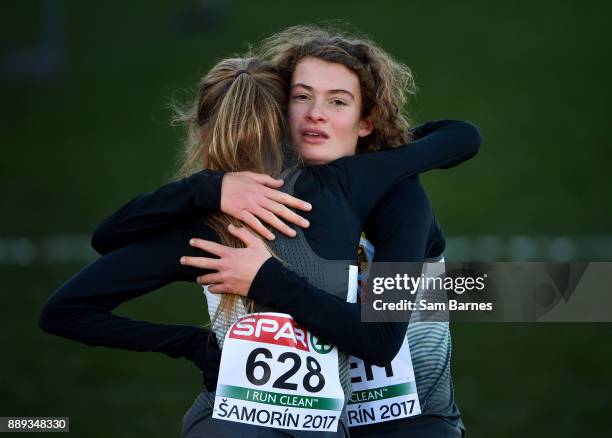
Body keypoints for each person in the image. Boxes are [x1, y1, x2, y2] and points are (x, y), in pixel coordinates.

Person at [40, 30, 480, 438]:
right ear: (275, 106)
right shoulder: (234, 206)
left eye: (338, 102)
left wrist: (267, 278)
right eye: (301, 97)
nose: (315, 114)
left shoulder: (399, 196)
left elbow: (383, 336)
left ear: (366, 121)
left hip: (407, 419)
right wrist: (210, 187)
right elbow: (108, 242)